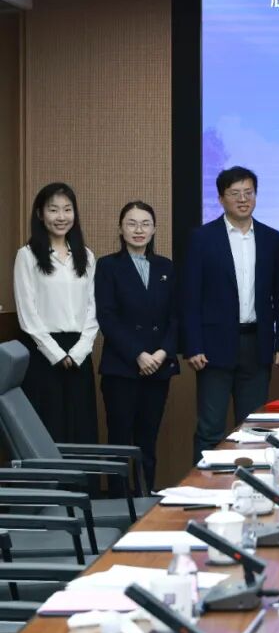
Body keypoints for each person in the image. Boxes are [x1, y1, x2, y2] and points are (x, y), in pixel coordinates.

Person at [182, 166, 279, 461]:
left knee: (253, 427)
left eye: (248, 193)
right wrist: (193, 345)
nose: (243, 199)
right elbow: (190, 296)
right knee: (211, 428)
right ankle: (204, 485)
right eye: (235, 193)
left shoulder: (271, 238)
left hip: (257, 344)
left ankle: (251, 483)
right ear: (221, 198)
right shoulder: (202, 238)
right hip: (212, 347)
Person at [95, 201, 179, 490]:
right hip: (122, 368)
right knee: (120, 442)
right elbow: (106, 317)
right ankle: (119, 503)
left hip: (159, 367)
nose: (139, 230)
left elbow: (175, 316)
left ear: (154, 229)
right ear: (120, 229)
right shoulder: (107, 266)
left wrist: (162, 352)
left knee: (148, 441)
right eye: (131, 223)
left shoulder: (166, 266)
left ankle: (145, 500)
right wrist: (138, 355)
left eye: (145, 224)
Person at [14, 182, 99, 444]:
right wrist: (56, 354)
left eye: (67, 209)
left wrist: (79, 351)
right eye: (53, 210)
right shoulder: (27, 256)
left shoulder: (86, 256)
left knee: (81, 428)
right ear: (40, 214)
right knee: (49, 429)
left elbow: (93, 309)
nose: (61, 217)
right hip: (43, 354)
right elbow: (27, 314)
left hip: (79, 354)